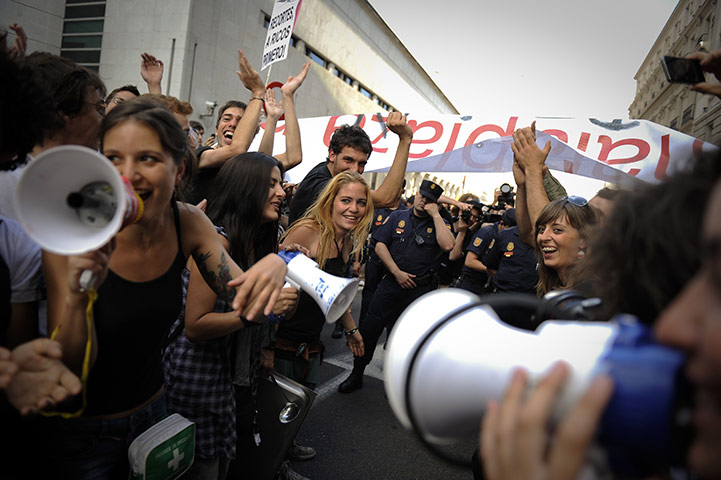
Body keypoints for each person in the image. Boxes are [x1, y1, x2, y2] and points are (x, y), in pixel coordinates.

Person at [40, 97, 287, 479]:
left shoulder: (188, 224)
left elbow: (247, 302)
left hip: (155, 419)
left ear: (180, 169)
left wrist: (276, 266)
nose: (127, 175)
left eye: (148, 159)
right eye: (114, 159)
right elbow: (67, 362)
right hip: (83, 431)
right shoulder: (75, 229)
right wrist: (77, 292)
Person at [479, 162, 721, 480]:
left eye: (558, 230)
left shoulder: (593, 296)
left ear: (587, 241)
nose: (670, 328)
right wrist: (526, 183)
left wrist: (536, 174)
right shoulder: (558, 285)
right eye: (543, 230)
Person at [163, 152, 297, 480]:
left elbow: (259, 310)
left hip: (226, 379)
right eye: (271, 184)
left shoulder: (256, 244)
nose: (281, 192)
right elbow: (196, 325)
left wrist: (283, 301)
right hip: (196, 378)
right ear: (245, 187)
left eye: (281, 184)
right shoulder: (217, 240)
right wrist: (258, 315)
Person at [339, 179, 458, 394]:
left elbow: (449, 245)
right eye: (422, 196)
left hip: (419, 291)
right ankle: (356, 374)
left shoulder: (440, 222)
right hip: (391, 284)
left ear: (436, 203)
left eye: (430, 200)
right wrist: (396, 272)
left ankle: (397, 383)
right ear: (417, 195)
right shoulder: (397, 217)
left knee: (408, 337)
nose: (424, 201)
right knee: (370, 328)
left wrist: (436, 215)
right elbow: (380, 244)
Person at [186, 54, 308, 205]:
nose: (232, 124)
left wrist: (287, 97)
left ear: (253, 132)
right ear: (217, 129)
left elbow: (293, 157)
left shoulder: (246, 165)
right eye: (226, 119)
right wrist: (257, 93)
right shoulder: (202, 155)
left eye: (241, 121)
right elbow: (236, 149)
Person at [511, 123, 600, 296]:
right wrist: (522, 185)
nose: (543, 237)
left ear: (583, 240)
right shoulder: (560, 280)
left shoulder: (589, 291)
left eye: (557, 230)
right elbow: (527, 233)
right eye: (542, 230)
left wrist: (533, 170)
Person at [287, 112, 413, 225]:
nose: (354, 170)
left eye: (362, 164)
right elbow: (385, 198)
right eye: (348, 160)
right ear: (332, 155)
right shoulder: (320, 183)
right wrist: (405, 139)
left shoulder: (328, 172)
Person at [357, 179, 408, 338]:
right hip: (374, 260)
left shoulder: (405, 213)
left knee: (390, 299)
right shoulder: (377, 209)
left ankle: (387, 334)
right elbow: (364, 232)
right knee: (369, 296)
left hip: (393, 263)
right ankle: (361, 331)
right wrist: (356, 259)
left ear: (402, 191)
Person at [459, 208, 516, 295]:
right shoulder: (487, 233)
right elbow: (470, 261)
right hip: (471, 284)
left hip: (487, 286)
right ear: (501, 224)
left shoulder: (508, 239)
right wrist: (494, 272)